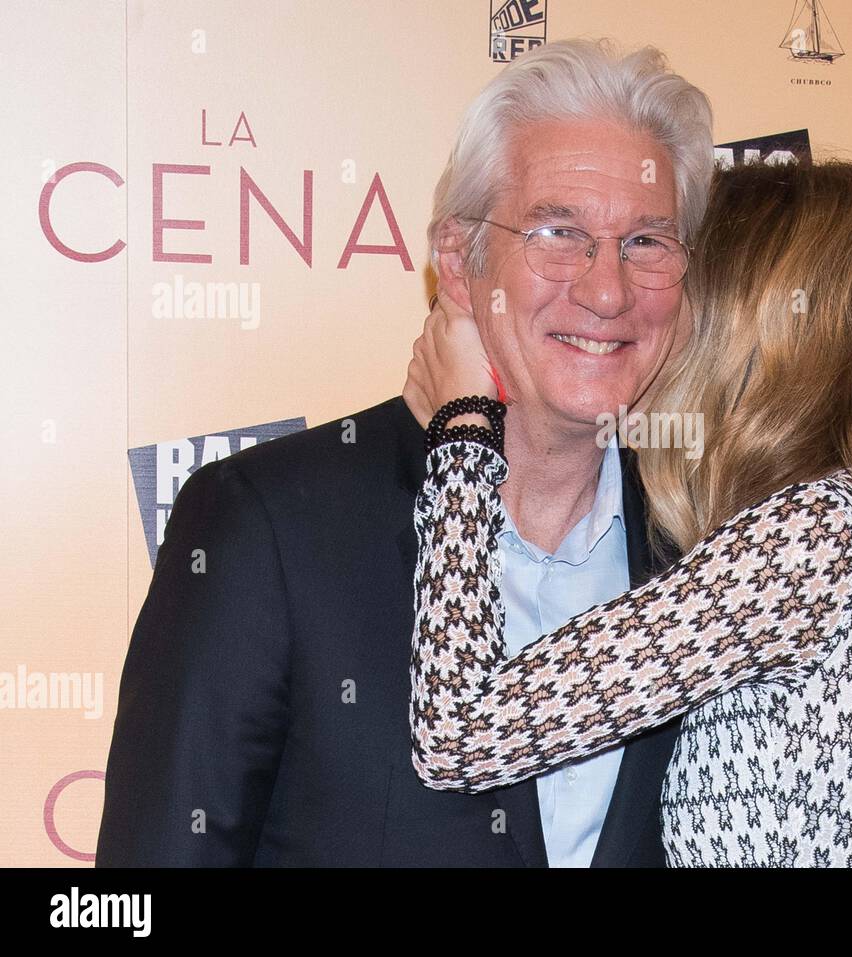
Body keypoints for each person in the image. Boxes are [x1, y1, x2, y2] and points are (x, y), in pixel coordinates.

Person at [96, 38, 713, 867]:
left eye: (647, 242)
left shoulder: (706, 542)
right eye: (558, 231)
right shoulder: (267, 528)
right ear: (459, 263)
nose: (607, 290)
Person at [402, 157, 852, 866]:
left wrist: (461, 426)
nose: (646, 305)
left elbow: (458, 729)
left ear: (762, 321)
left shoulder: (812, 540)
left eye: (688, 279)